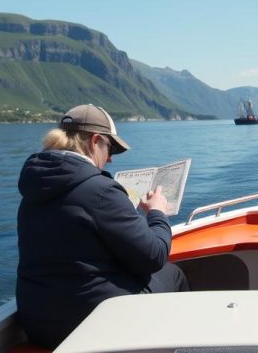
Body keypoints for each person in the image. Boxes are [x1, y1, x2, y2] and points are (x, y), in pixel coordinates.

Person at [16, 104, 188, 348]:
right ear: (95, 141)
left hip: (40, 325)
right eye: (110, 149)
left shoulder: (34, 189)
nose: (109, 158)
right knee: (173, 274)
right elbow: (154, 256)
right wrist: (157, 213)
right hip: (91, 326)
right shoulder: (100, 191)